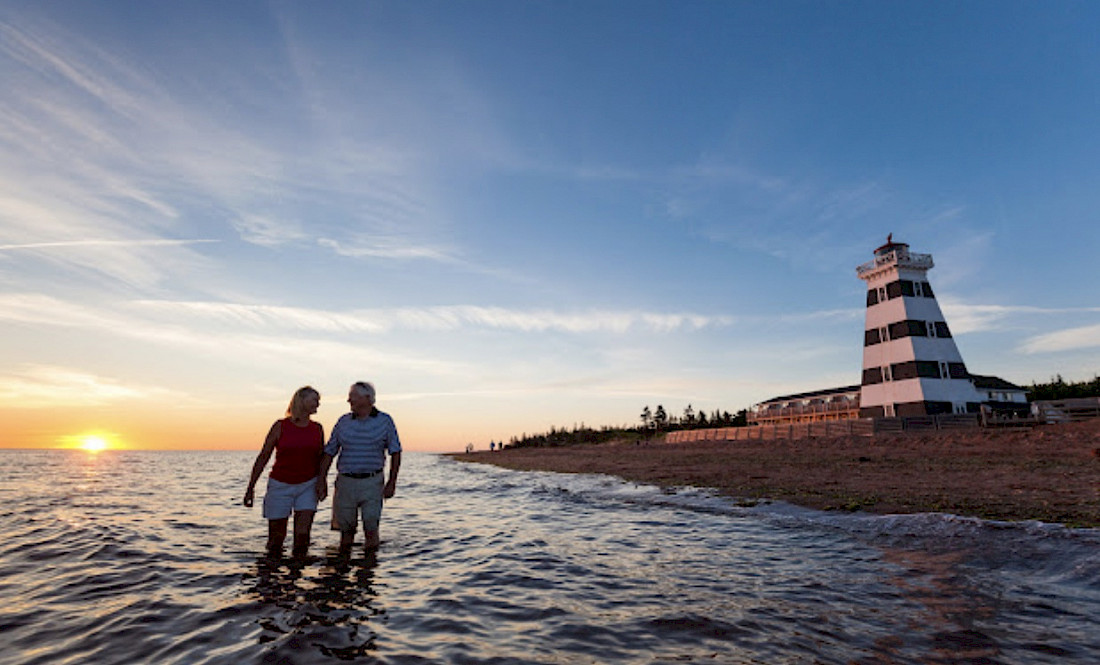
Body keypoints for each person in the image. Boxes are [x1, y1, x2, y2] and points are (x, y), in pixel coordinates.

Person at [316, 381, 402, 553]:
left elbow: (396, 452)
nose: (349, 400)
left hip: (372, 481)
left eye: (353, 396)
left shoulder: (385, 421)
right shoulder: (343, 422)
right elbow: (330, 451)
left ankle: (368, 572)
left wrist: (392, 482)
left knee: (371, 528)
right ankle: (343, 567)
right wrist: (321, 479)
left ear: (368, 398)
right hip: (346, 482)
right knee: (346, 531)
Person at [244, 386, 325, 557]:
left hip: (308, 485)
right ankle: (273, 575)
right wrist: (251, 487)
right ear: (302, 401)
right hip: (280, 485)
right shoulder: (280, 426)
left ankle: (296, 574)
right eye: (314, 400)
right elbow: (264, 456)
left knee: (302, 536)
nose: (318, 404)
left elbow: (320, 458)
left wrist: (321, 482)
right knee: (276, 538)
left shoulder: (317, 428)